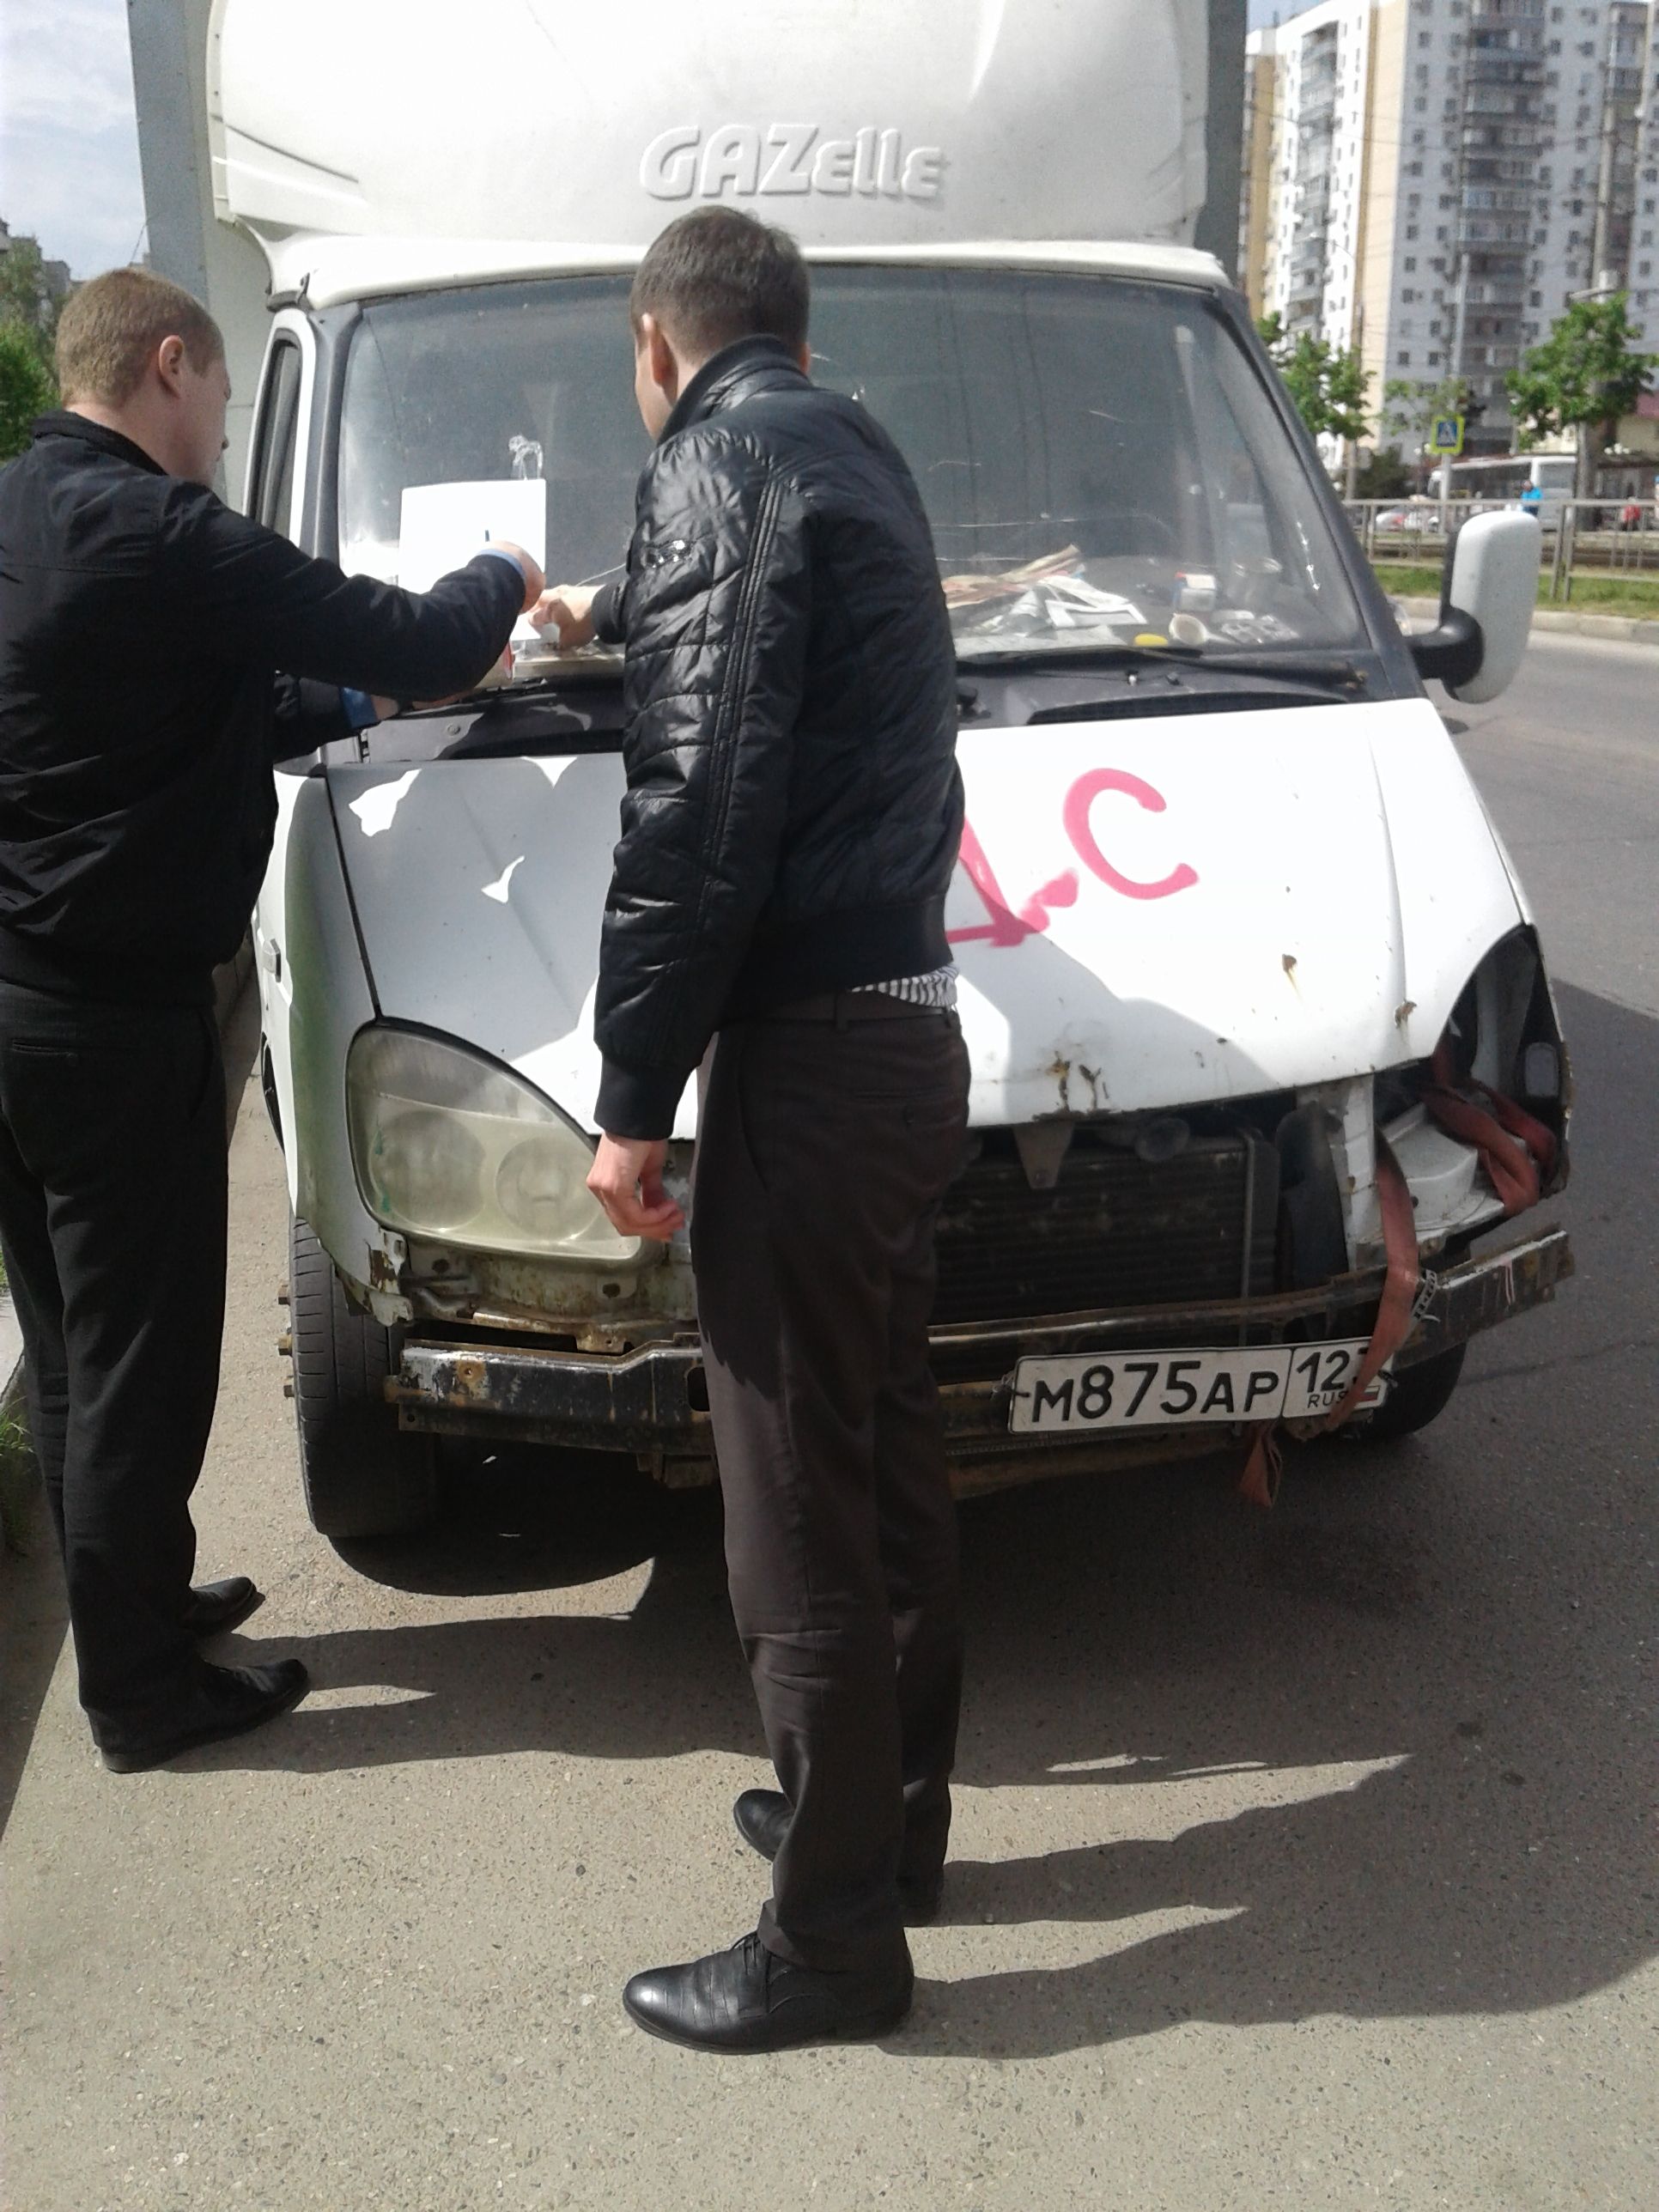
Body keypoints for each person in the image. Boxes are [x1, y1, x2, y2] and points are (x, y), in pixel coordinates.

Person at [0, 268, 544, 1773]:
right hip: (115, 1027)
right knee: (141, 1361)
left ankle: (136, 1604)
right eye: (224, 401)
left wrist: (356, 714)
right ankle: (140, 1696)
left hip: (17, 1006)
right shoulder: (167, 533)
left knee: (73, 1350)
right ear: (170, 367)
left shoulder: (21, 513)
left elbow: (167, 711)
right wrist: (506, 569)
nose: (224, 434)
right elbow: (422, 635)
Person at [539, 209, 969, 2053]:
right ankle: (886, 1831)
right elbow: (774, 652)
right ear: (795, 331)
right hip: (909, 1032)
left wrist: (633, 1097)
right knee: (883, 1460)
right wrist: (616, 600)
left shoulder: (713, 468)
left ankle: (832, 1944)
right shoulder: (850, 449)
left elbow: (699, 803)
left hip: (807, 1056)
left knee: (789, 1504)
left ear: (658, 343)